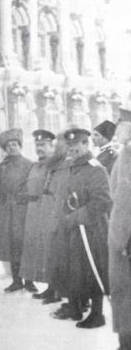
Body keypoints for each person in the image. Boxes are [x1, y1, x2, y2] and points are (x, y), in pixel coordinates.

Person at [52, 128, 112, 328]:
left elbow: (103, 201)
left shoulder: (96, 168)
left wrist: (77, 216)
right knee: (74, 269)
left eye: (76, 146)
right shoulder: (71, 167)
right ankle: (75, 308)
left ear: (86, 144)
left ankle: (97, 314)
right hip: (74, 229)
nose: (72, 149)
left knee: (93, 270)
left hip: (92, 230)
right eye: (69, 146)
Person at [92, 112, 131, 350]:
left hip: (127, 240)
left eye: (124, 127)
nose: (119, 132)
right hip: (120, 235)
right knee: (121, 295)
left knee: (127, 296)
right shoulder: (125, 155)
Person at [0, 128, 33, 292]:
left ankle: (29, 282)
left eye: (14, 144)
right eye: (8, 146)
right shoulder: (1, 168)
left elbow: (35, 189)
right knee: (12, 246)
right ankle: (16, 281)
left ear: (20, 146)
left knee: (26, 245)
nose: (12, 148)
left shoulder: (30, 165)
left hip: (25, 211)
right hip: (7, 213)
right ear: (5, 149)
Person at [19, 130, 55, 296]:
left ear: (51, 146)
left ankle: (52, 287)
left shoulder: (55, 166)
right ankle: (29, 279)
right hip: (32, 211)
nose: (39, 148)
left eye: (43, 145)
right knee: (31, 245)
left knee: (48, 247)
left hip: (47, 210)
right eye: (37, 145)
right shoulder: (34, 166)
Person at [40, 133, 71, 305]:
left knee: (59, 253)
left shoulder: (67, 163)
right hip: (50, 209)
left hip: (60, 212)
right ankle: (52, 287)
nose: (56, 145)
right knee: (50, 252)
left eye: (59, 142)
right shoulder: (55, 162)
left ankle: (59, 291)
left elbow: (63, 190)